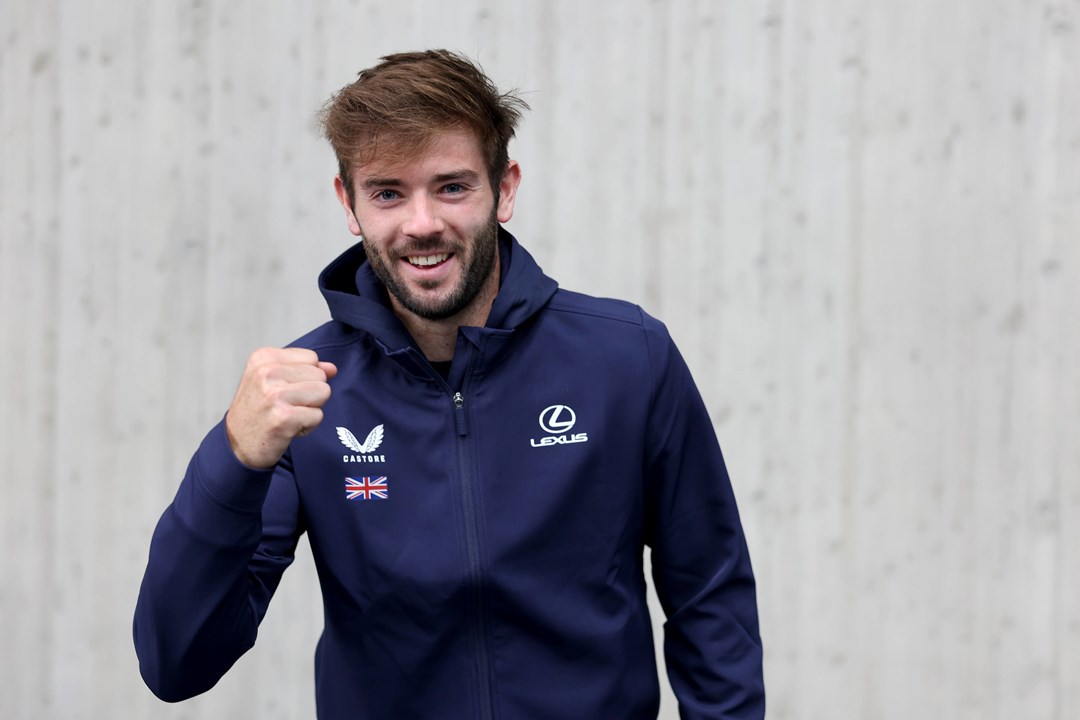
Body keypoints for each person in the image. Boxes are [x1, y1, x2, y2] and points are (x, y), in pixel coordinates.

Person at [134, 49, 764, 719]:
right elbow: (178, 662)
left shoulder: (626, 358)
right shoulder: (308, 396)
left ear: (506, 188)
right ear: (348, 202)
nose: (422, 223)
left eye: (452, 186)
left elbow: (710, 596)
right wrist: (232, 459)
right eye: (388, 192)